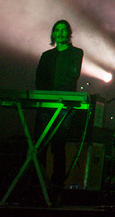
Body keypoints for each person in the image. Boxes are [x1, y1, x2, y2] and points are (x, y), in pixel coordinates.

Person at [35, 19, 84, 189]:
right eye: (57, 30)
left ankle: (56, 186)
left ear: (69, 33)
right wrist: (45, 94)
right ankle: (37, 184)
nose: (61, 33)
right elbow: (39, 78)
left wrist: (59, 94)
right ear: (53, 34)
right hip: (46, 104)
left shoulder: (77, 53)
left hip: (64, 105)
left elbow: (73, 75)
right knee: (38, 145)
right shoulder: (46, 56)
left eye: (64, 30)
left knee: (59, 145)